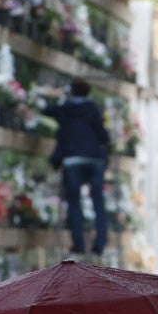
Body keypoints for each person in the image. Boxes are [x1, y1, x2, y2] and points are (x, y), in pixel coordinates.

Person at [44, 78, 111, 257]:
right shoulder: (93, 109)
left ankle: (79, 244)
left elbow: (47, 109)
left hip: (73, 159)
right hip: (94, 160)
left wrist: (59, 96)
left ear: (72, 91)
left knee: (74, 201)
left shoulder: (66, 109)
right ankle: (100, 242)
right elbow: (104, 137)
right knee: (98, 201)